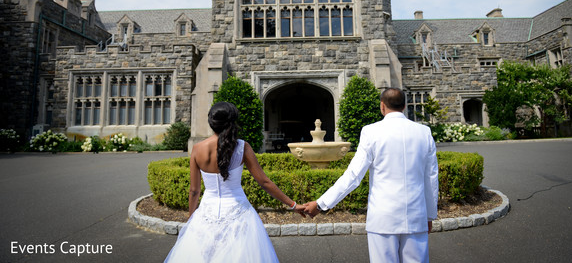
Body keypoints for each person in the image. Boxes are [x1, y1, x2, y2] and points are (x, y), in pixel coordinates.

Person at [304, 88, 439, 263]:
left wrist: (321, 203)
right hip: (416, 215)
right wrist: (429, 215)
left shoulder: (371, 132)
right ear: (405, 106)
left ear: (382, 106)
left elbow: (353, 176)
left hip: (383, 217)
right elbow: (431, 178)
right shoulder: (424, 132)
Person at [164, 101, 305, 263]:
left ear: (211, 123)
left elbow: (194, 190)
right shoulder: (242, 147)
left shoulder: (197, 149)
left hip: (206, 213)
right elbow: (264, 182)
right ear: (232, 122)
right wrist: (293, 205)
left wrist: (191, 220)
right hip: (239, 213)